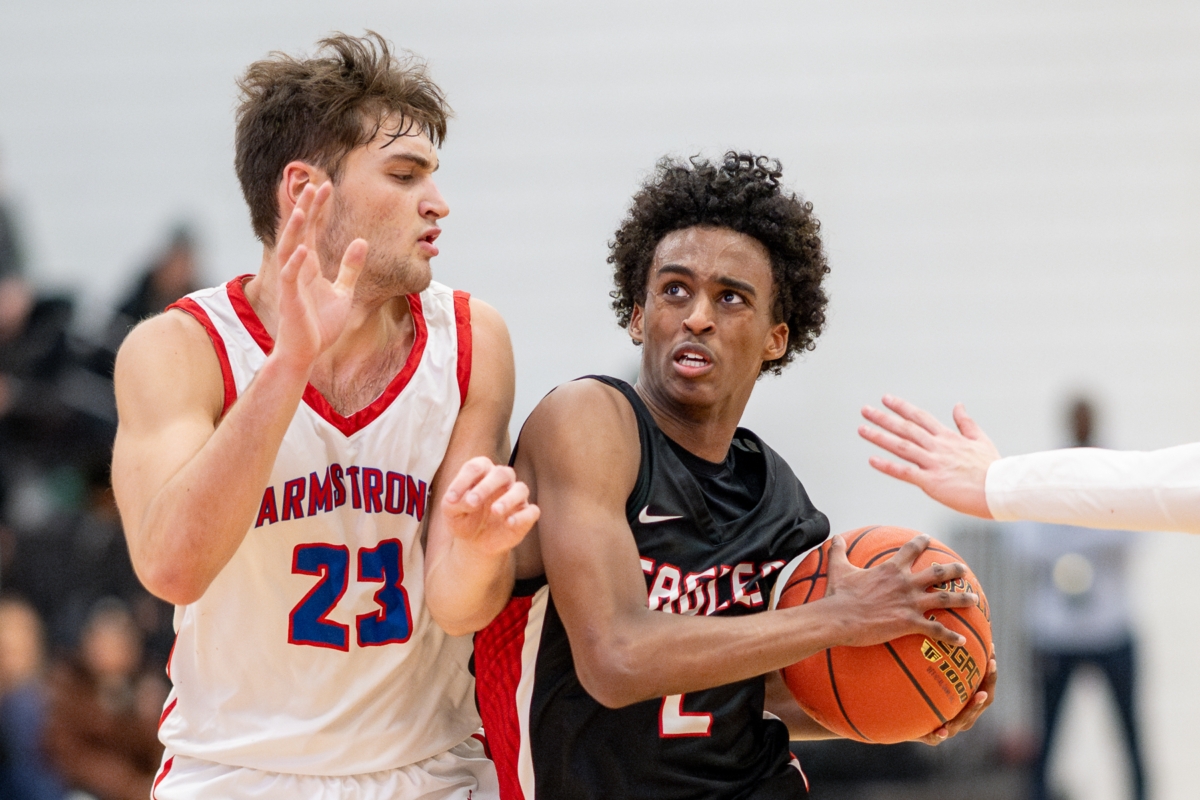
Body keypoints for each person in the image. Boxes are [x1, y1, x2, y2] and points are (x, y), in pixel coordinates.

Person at [472, 153, 997, 800]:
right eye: (674, 289)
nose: (698, 315)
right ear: (638, 318)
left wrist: (901, 706)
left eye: (730, 297)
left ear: (777, 338)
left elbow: (756, 690)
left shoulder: (777, 495)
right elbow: (615, 657)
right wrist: (840, 618)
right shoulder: (589, 422)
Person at [110, 33, 537, 800]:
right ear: (303, 188)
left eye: (433, 177)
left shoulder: (474, 340)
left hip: (429, 769)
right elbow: (173, 569)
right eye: (405, 177)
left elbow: (457, 604)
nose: (438, 203)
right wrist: (289, 365)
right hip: (234, 771)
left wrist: (476, 550)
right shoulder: (177, 349)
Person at [1006, 399, 1146, 800]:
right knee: (1046, 742)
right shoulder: (1047, 472)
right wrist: (1094, 526)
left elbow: (1136, 531)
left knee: (1130, 738)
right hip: (1056, 630)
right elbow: (1023, 542)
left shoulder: (1119, 472)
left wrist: (1068, 527)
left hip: (1110, 624)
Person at [858, 393, 1200, 533]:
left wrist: (1000, 482)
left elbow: (1160, 487)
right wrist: (1000, 483)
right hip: (1055, 623)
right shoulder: (1068, 460)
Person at [43, 599, 166, 800]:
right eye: (103, 640)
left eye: (119, 641)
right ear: (87, 643)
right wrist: (130, 787)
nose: (110, 650)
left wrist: (149, 717)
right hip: (85, 790)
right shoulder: (68, 686)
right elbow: (71, 758)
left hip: (143, 789)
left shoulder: (147, 689)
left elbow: (159, 754)